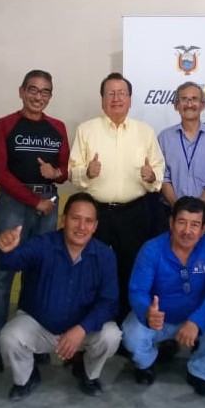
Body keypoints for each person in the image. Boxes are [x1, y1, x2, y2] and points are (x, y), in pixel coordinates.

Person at [0, 70, 70, 374]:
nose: (38, 96)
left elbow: (65, 170)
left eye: (45, 92)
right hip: (14, 202)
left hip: (48, 202)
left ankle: (36, 342)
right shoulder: (4, 125)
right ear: (21, 91)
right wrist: (34, 201)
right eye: (32, 90)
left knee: (40, 273)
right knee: (3, 273)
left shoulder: (57, 127)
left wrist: (55, 174)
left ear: (50, 96)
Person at [0, 193, 121, 400]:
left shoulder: (104, 255)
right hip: (40, 326)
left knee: (111, 335)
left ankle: (87, 374)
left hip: (81, 331)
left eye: (88, 221)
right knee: (9, 337)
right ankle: (26, 377)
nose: (81, 227)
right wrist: (6, 250)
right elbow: (10, 262)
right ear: (64, 219)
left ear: (95, 226)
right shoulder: (43, 244)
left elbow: (109, 302)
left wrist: (81, 329)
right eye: (75, 218)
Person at [69, 72, 165, 323]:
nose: (116, 98)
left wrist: (151, 176)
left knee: (130, 269)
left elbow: (158, 172)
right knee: (91, 267)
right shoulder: (86, 130)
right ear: (102, 99)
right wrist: (87, 172)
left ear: (130, 99)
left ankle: (124, 326)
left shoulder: (145, 132)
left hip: (134, 212)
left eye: (121, 93)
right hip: (96, 213)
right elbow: (72, 171)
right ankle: (89, 325)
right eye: (110, 93)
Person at [122, 197, 205, 398]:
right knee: (131, 333)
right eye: (182, 222)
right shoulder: (151, 249)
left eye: (195, 225)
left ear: (203, 229)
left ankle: (201, 371)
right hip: (159, 320)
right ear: (171, 222)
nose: (187, 231)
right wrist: (147, 312)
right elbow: (137, 291)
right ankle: (146, 363)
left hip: (195, 320)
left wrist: (196, 321)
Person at [157, 81, 205, 234]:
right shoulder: (164, 137)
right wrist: (178, 209)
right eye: (184, 99)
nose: (189, 104)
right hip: (171, 212)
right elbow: (163, 177)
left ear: (203, 105)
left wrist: (197, 210)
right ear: (176, 105)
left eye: (194, 99)